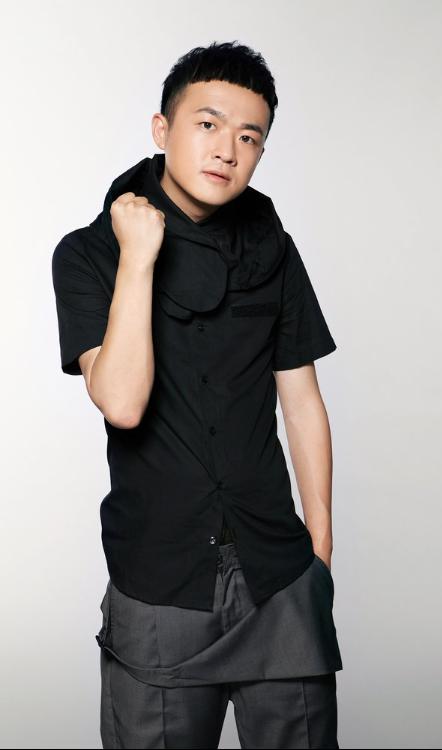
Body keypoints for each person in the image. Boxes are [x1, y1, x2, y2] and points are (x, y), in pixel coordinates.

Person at [52, 40, 343, 750]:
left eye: (250, 137)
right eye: (208, 124)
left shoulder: (275, 250)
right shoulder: (88, 254)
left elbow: (301, 399)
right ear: (163, 129)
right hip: (161, 581)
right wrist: (139, 258)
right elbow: (122, 402)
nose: (227, 150)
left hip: (277, 574)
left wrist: (321, 546)